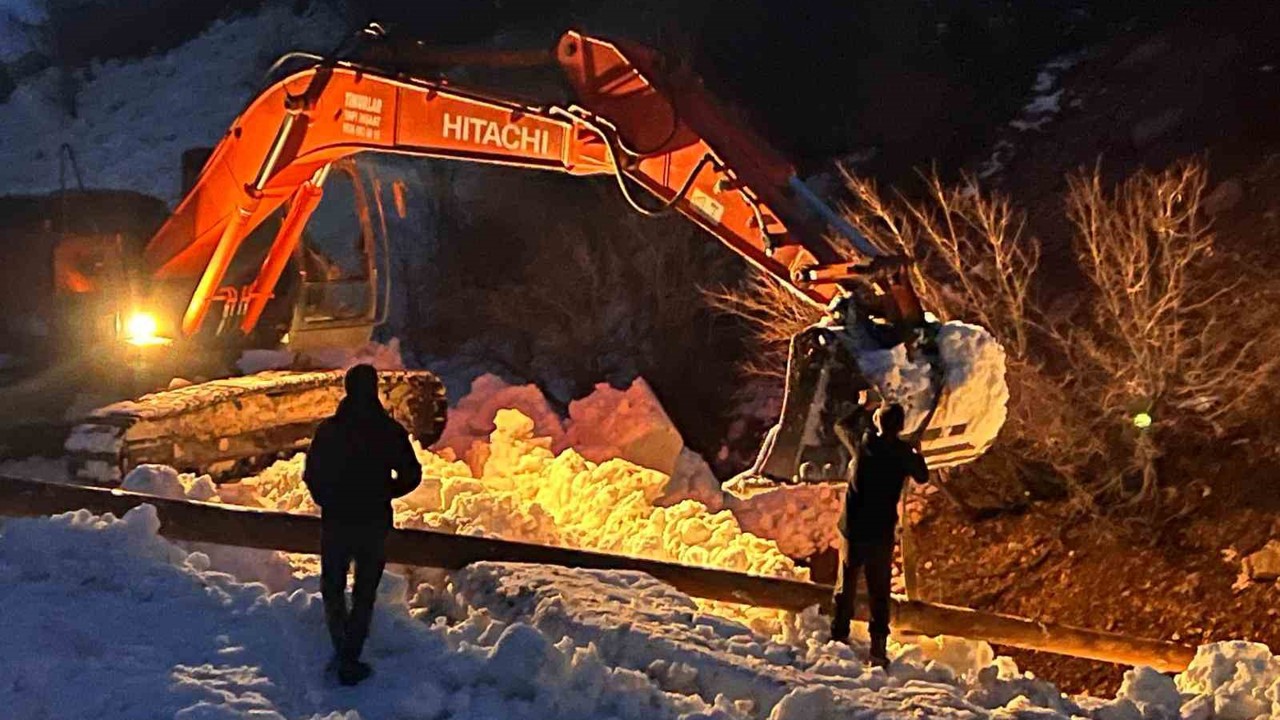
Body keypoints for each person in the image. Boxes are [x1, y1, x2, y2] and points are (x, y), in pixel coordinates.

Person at [303, 364, 422, 685]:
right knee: (365, 590)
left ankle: (342, 648)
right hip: (373, 520)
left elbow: (311, 474)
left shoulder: (329, 430)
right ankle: (351, 652)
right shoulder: (389, 431)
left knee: (332, 586)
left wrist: (327, 499)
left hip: (337, 520)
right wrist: (388, 492)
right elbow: (412, 474)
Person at [830, 403, 928, 668]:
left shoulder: (863, 445)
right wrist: (917, 452)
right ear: (901, 427)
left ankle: (838, 636)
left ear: (878, 423)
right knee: (879, 593)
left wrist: (862, 406)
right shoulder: (902, 454)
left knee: (846, 585)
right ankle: (877, 650)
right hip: (880, 533)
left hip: (853, 528)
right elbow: (922, 476)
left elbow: (840, 425)